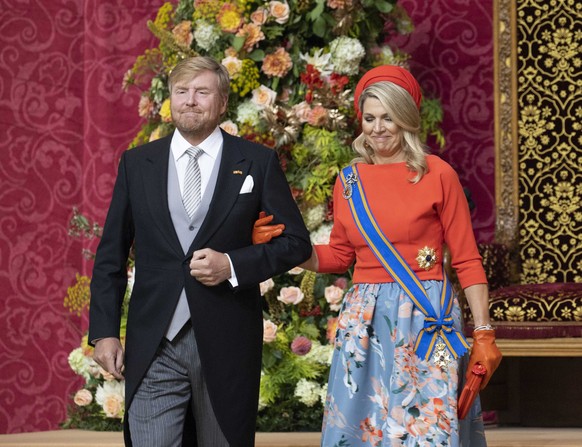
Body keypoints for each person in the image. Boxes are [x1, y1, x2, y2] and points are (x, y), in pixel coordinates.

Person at [89, 55, 312, 447]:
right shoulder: (137, 163)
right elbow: (111, 255)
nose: (190, 100)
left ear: (222, 102)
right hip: (154, 341)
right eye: (182, 91)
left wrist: (233, 264)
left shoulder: (256, 162)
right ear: (171, 99)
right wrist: (104, 332)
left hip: (227, 341)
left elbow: (296, 243)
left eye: (202, 91)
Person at [298, 65, 502, 446]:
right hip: (365, 322)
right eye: (370, 118)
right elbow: (340, 255)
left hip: (430, 319)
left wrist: (484, 331)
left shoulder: (438, 174)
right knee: (361, 428)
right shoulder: (349, 180)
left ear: (406, 118)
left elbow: (467, 260)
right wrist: (290, 250)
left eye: (388, 117)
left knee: (431, 426)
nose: (377, 128)